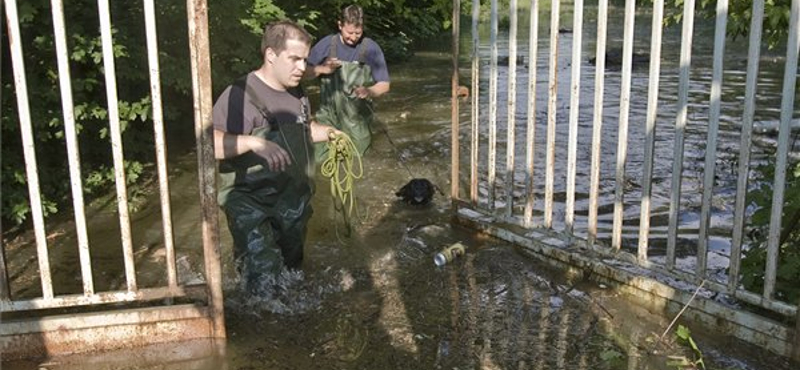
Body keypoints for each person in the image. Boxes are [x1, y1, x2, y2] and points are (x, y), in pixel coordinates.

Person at [212, 20, 340, 294]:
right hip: (250, 201)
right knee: (264, 277)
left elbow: (304, 131)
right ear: (271, 54)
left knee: (292, 275)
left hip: (292, 201)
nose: (302, 68)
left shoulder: (296, 92)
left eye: (305, 60)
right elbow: (209, 145)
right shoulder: (239, 95)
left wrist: (331, 133)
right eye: (294, 59)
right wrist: (253, 142)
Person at [306, 4, 390, 160]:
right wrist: (323, 69)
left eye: (358, 33)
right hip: (327, 117)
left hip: (357, 120)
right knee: (318, 161)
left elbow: (384, 84)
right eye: (349, 32)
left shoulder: (371, 48)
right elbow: (302, 73)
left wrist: (369, 91)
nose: (353, 37)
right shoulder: (326, 44)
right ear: (340, 25)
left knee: (358, 162)